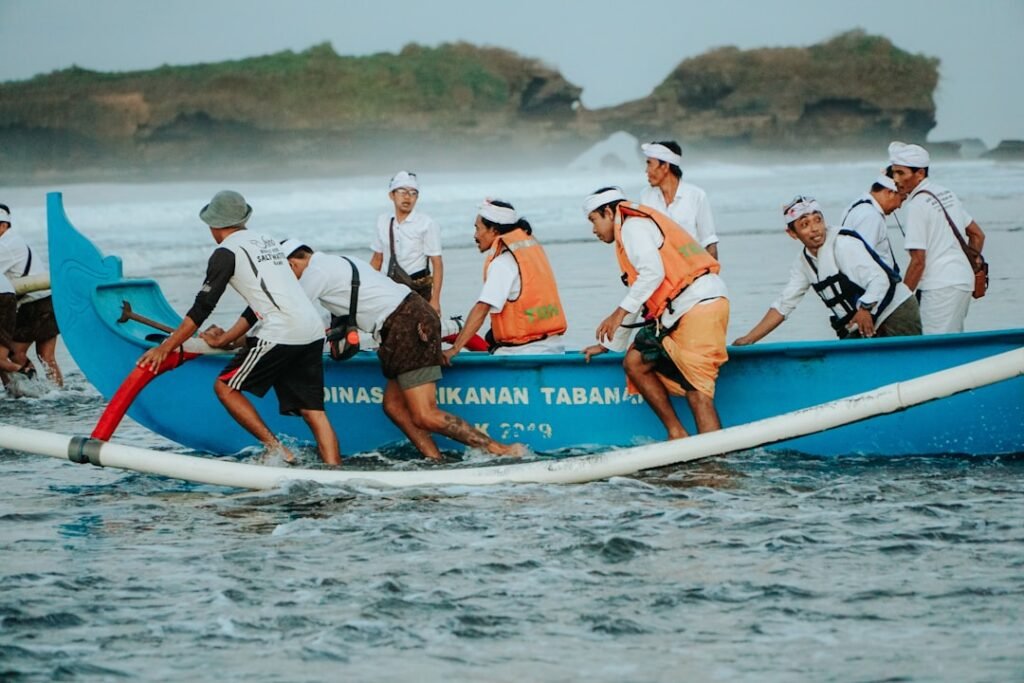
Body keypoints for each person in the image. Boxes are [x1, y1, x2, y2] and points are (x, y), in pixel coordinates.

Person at [137, 191, 340, 466]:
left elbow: (201, 309)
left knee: (226, 388)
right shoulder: (267, 241)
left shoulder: (225, 252)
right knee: (313, 410)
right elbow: (261, 302)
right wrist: (228, 340)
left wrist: (166, 347)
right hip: (313, 330)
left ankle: (278, 451)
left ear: (215, 226)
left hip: (282, 332)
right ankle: (334, 469)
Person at [281, 239, 522, 461]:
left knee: (425, 414)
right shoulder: (338, 262)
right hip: (402, 322)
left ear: (292, 264)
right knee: (394, 407)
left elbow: (290, 312)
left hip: (406, 324)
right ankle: (434, 459)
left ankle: (500, 450)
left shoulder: (314, 272)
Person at [581, 186, 730, 440]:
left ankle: (717, 467)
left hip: (698, 305)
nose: (593, 230)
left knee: (698, 392)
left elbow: (652, 273)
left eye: (594, 220)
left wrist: (618, 313)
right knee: (635, 362)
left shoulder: (631, 226)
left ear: (608, 212)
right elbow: (642, 292)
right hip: (683, 309)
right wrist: (608, 344)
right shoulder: (629, 227)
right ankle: (676, 433)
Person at [733, 196, 921, 345]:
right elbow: (784, 304)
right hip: (862, 322)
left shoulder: (843, 244)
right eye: (804, 225)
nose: (815, 229)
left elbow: (879, 279)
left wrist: (864, 309)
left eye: (818, 220)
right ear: (792, 233)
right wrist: (749, 338)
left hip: (896, 311)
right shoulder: (803, 263)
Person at [443, 199, 567, 360]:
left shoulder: (502, 263)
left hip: (523, 353)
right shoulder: (531, 256)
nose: (475, 235)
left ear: (493, 231)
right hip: (553, 348)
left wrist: (454, 349)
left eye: (477, 228)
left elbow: (482, 308)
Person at [888, 141, 986, 334]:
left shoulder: (917, 205)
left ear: (920, 174)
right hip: (963, 283)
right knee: (952, 341)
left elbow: (918, 262)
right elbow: (977, 235)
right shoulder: (945, 193)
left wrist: (901, 303)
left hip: (939, 287)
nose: (896, 179)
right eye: (893, 173)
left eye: (901, 173)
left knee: (934, 345)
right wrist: (968, 265)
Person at [0, 204, 63, 386]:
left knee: (15, 351)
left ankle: (35, 388)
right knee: (47, 356)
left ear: (4, 226)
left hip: (35, 304)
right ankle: (56, 391)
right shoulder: (14, 240)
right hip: (47, 300)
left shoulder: (5, 246)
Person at [369, 171, 444, 314]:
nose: (407, 197)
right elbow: (377, 260)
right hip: (389, 288)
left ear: (417, 197)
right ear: (392, 195)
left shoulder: (427, 224)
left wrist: (435, 300)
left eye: (413, 193)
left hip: (418, 289)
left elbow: (437, 263)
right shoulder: (382, 221)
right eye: (402, 191)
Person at [638, 141, 720, 260]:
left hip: (692, 267)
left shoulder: (696, 196)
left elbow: (709, 242)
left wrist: (711, 276)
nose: (646, 171)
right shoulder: (646, 196)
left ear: (665, 166)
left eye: (650, 164)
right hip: (662, 270)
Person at [840, 174, 904, 273]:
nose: (900, 206)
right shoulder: (871, 216)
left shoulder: (857, 205)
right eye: (902, 199)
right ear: (890, 192)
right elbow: (862, 263)